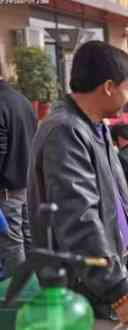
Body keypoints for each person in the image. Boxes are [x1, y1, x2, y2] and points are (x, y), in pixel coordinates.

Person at [27, 41, 128, 323]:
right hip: (82, 287)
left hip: (100, 279)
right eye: (127, 88)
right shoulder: (65, 130)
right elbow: (78, 218)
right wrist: (118, 291)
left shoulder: (94, 126)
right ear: (109, 86)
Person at [0, 61, 37, 278]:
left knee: (11, 244)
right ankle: (35, 292)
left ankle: (18, 299)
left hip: (7, 190)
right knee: (30, 239)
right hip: (26, 184)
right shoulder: (22, 100)